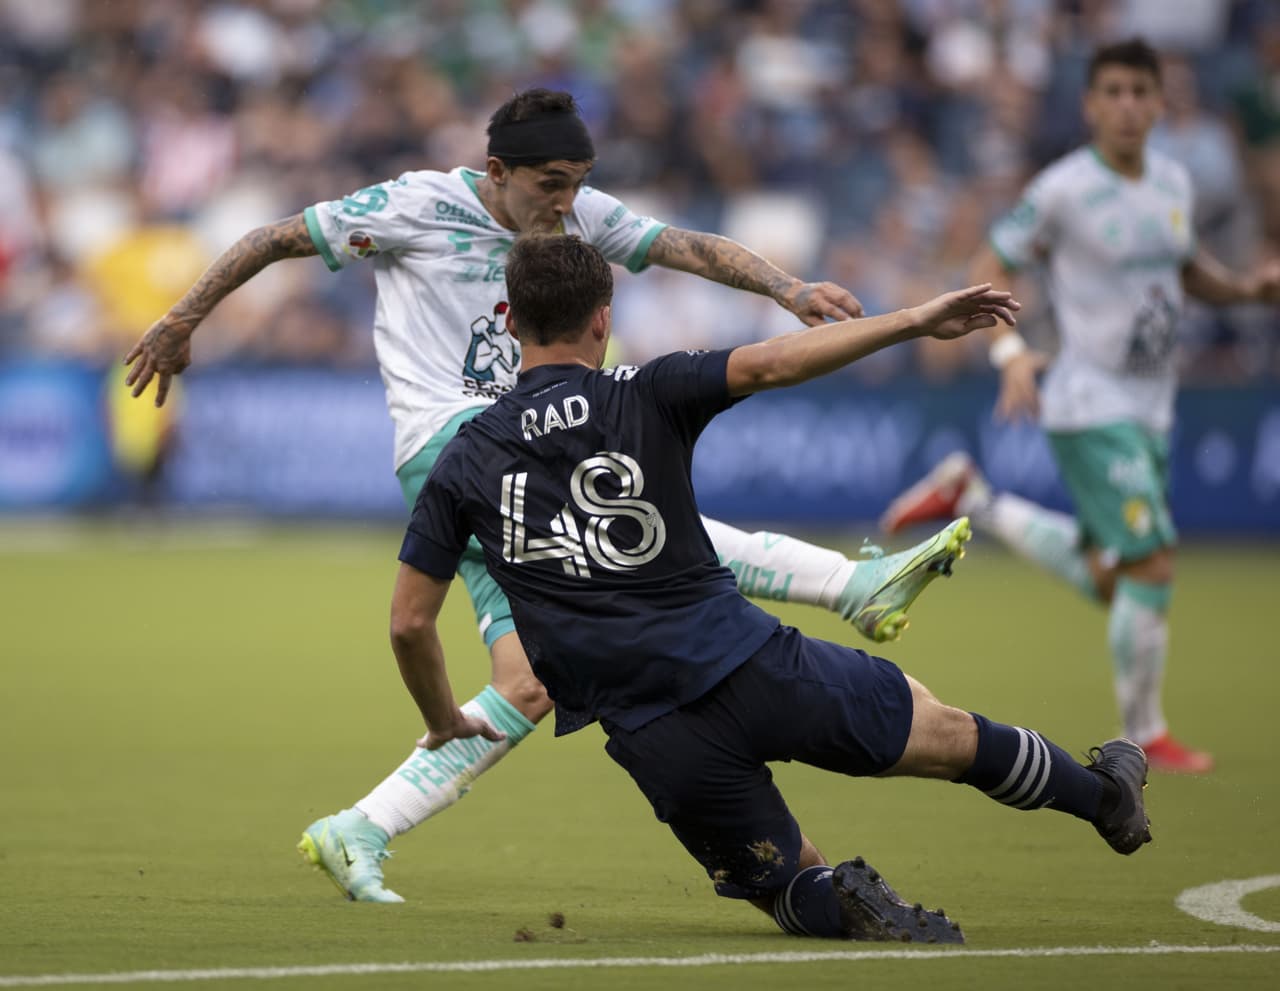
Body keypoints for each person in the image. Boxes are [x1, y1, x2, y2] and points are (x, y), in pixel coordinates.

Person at [123, 88, 968, 903]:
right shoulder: (414, 204)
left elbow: (683, 245)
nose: (567, 206)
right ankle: (851, 585)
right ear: (497, 172)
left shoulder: (577, 216)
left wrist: (788, 290)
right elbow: (274, 239)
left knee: (530, 678)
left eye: (578, 183)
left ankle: (362, 826)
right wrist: (180, 319)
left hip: (525, 437)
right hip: (456, 445)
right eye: (549, 186)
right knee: (640, 541)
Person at [387, 232, 1151, 942]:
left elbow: (409, 624)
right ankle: (1102, 796)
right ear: (603, 317)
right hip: (755, 665)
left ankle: (838, 896)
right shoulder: (647, 390)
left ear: (510, 319)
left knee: (782, 880)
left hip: (652, 733)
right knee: (945, 733)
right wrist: (915, 319)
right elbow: (777, 361)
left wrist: (444, 718)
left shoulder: (463, 459)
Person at [880, 39, 1280, 775]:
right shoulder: (1063, 188)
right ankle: (1144, 735)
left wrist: (1249, 291)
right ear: (1092, 104)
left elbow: (1187, 271)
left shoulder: (1171, 183)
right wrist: (1009, 353)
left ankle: (976, 496)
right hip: (1089, 401)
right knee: (1152, 563)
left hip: (1151, 404)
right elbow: (989, 265)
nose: (1128, 105)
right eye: (1114, 92)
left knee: (1113, 575)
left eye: (1141, 92)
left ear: (1160, 104)